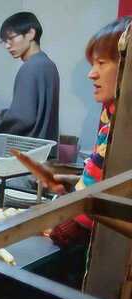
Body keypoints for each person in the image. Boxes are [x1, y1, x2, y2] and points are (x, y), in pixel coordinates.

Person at [46, 16, 132, 249]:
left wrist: (78, 219)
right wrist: (74, 183)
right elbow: (107, 180)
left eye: (101, 63)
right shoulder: (113, 116)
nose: (91, 74)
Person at [0, 12, 60, 143]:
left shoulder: (30, 67)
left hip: (27, 151)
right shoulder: (49, 65)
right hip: (45, 152)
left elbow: (23, 117)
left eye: (11, 38)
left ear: (30, 33)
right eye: (4, 41)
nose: (7, 46)